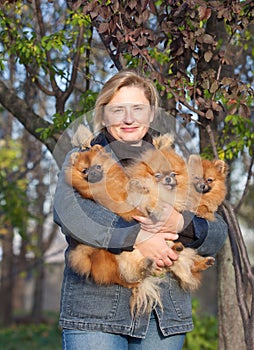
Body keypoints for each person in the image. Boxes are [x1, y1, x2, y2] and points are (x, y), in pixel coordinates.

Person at [53, 70, 228, 350]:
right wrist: (138, 237)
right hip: (96, 315)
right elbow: (69, 213)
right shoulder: (80, 157)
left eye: (138, 109)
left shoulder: (174, 161)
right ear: (103, 113)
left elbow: (218, 232)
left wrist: (180, 222)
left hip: (162, 317)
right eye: (118, 109)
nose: (129, 118)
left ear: (151, 115)